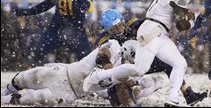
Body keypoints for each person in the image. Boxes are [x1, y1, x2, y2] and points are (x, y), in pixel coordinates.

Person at [83, 0, 204, 106]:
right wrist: (190, 21)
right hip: (154, 31)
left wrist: (185, 15)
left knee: (179, 63)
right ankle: (99, 75)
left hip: (156, 30)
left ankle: (173, 98)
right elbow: (180, 24)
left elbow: (171, 10)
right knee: (138, 69)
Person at [93, 9, 207, 106]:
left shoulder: (133, 24)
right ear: (108, 30)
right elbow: (102, 59)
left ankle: (188, 93)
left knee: (168, 62)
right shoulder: (105, 40)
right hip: (122, 70)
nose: (119, 29)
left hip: (141, 63)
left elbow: (151, 24)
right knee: (119, 99)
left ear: (123, 21)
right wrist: (112, 71)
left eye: (120, 25)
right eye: (114, 28)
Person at [0, 38, 161, 106]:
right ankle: (7, 89)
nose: (132, 63)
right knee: (29, 77)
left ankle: (6, 99)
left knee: (33, 98)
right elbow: (102, 54)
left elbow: (122, 94)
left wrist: (133, 94)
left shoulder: (127, 74)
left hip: (71, 94)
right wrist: (109, 69)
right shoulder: (115, 46)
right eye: (133, 59)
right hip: (64, 73)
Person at [14, 0, 94, 65]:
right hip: (57, 26)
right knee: (39, 51)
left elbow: (88, 8)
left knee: (87, 60)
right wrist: (28, 12)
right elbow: (48, 4)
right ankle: (41, 77)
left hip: (76, 27)